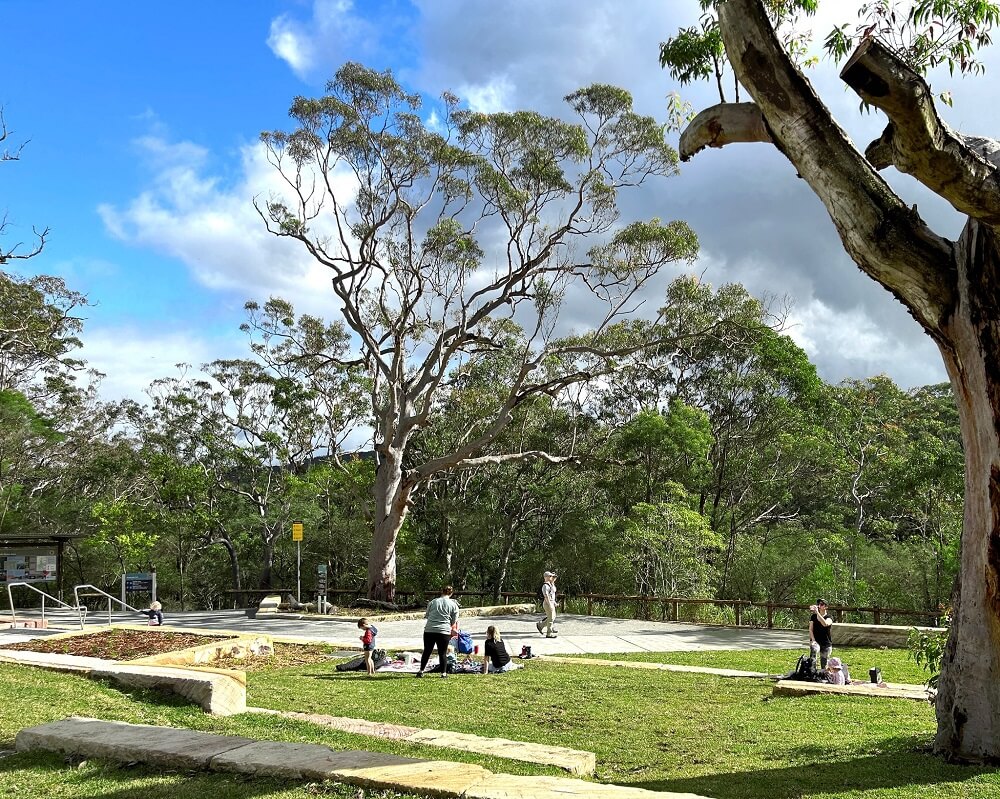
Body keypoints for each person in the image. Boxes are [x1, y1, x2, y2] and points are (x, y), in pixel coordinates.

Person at [417, 585, 459, 678]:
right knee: (442, 652)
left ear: (441, 592)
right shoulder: (453, 604)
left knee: (427, 650)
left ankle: (421, 671)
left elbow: (427, 614)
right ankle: (443, 673)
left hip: (430, 629)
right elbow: (454, 619)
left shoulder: (433, 602)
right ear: (451, 593)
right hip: (443, 631)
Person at [809, 598, 834, 668]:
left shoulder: (829, 617)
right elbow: (810, 629)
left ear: (826, 607)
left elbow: (825, 624)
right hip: (816, 641)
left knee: (824, 664)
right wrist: (813, 640)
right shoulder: (813, 617)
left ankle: (824, 676)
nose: (819, 606)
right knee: (813, 656)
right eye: (818, 604)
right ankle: (812, 674)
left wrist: (817, 612)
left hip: (826, 643)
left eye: (822, 604)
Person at [536, 571, 558, 638]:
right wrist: (550, 604)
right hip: (547, 603)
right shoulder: (545, 585)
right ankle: (549, 633)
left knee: (552, 617)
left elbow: (551, 595)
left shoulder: (550, 584)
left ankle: (541, 625)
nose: (552, 577)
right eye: (550, 576)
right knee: (551, 619)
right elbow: (546, 596)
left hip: (551, 602)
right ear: (546, 577)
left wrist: (554, 603)